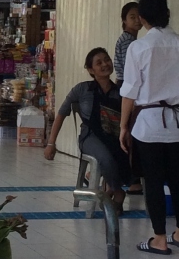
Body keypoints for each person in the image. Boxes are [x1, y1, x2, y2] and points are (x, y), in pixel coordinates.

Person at [119, 0, 179, 255]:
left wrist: (123, 126)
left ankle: (160, 238)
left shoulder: (139, 47)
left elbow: (130, 92)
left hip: (149, 125)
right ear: (168, 14)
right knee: (178, 179)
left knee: (152, 181)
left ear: (142, 18)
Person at [45, 48, 131, 210]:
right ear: (91, 70)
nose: (105, 64)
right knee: (106, 159)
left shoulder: (120, 92)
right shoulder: (82, 89)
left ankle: (109, 189)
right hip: (90, 138)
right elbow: (62, 114)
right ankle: (118, 192)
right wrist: (51, 143)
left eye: (107, 60)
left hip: (114, 136)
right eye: (99, 63)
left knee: (133, 154)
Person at [112, 2, 142, 83]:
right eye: (132, 17)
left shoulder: (129, 38)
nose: (137, 20)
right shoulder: (127, 40)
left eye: (139, 16)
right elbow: (129, 65)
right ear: (124, 20)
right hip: (126, 81)